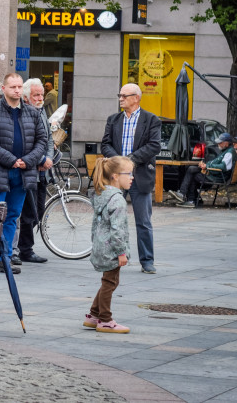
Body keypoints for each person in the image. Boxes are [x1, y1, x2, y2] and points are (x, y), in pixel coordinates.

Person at [0, 73, 48, 269]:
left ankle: (4, 259)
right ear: (4, 89)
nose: (17, 90)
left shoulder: (32, 113)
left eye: (19, 87)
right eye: (13, 87)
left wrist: (26, 161)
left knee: (12, 216)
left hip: (22, 173)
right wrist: (11, 160)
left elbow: (41, 141)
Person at [100, 83, 161, 274]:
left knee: (143, 221)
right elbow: (105, 144)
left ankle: (147, 261)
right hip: (117, 177)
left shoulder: (151, 120)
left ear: (136, 98)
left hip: (140, 175)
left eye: (124, 96)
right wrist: (119, 162)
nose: (120, 99)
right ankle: (110, 257)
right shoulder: (113, 119)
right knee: (111, 219)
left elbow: (154, 146)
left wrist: (130, 160)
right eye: (119, 95)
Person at [84, 156, 134, 334]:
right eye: (128, 173)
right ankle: (105, 319)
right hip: (111, 248)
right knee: (110, 283)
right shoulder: (117, 200)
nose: (131, 177)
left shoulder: (102, 195)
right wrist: (121, 252)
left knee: (108, 281)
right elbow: (117, 229)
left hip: (100, 245)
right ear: (115, 176)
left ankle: (93, 315)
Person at [16, 78, 54, 265]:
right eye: (36, 95)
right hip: (30, 170)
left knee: (38, 211)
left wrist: (49, 158)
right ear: (26, 97)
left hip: (42, 172)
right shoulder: (24, 113)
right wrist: (40, 159)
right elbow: (26, 142)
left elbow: (48, 140)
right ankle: (25, 249)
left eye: (41, 95)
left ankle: (25, 247)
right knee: (28, 212)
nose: (40, 98)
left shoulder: (42, 113)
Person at [170, 131, 237, 209]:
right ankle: (188, 197)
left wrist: (207, 166)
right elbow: (219, 163)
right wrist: (205, 165)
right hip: (216, 174)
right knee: (191, 169)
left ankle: (189, 198)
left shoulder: (229, 153)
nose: (218, 144)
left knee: (192, 174)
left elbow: (223, 166)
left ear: (226, 143)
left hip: (217, 176)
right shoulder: (227, 151)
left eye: (220, 142)